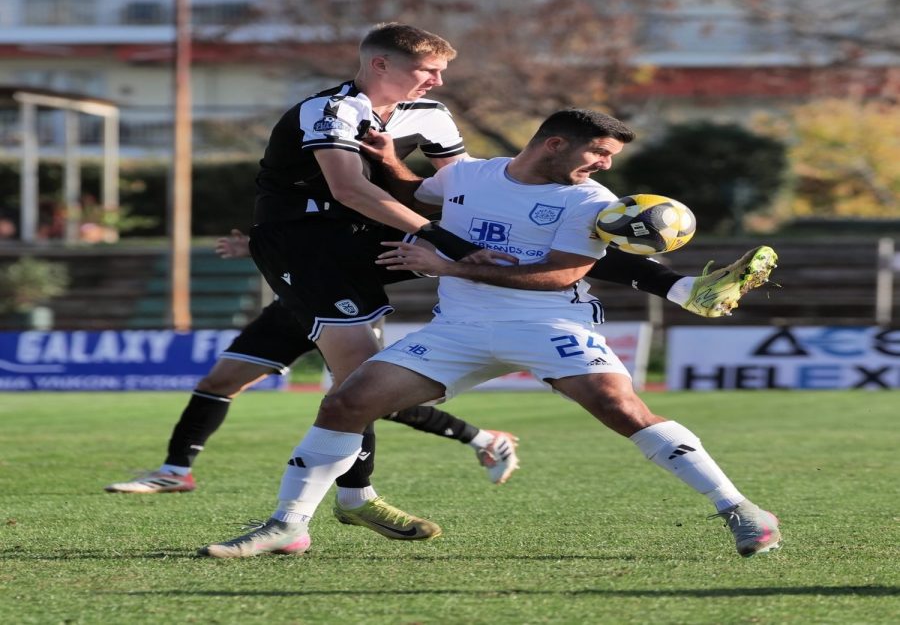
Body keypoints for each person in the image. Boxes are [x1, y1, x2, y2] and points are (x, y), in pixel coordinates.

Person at [111, 22, 775, 538]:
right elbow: (409, 192)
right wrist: (412, 216)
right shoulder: (336, 113)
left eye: (439, 72)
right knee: (324, 391)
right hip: (350, 264)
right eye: (426, 70)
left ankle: (729, 474)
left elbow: (537, 249)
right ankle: (291, 508)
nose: (434, 82)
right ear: (381, 65)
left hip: (503, 302)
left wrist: (445, 250)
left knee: (612, 404)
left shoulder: (573, 190)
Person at [198, 109, 781, 560]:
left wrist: (447, 266)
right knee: (347, 401)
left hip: (550, 322)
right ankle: (288, 526)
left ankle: (740, 509)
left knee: (620, 406)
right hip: (461, 329)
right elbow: (419, 194)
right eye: (598, 152)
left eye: (609, 156)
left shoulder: (589, 201)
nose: (605, 164)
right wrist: (390, 162)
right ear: (555, 143)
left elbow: (561, 275)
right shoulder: (469, 176)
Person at [104, 229, 521, 499]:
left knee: (360, 399)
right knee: (218, 382)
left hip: (348, 315)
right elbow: (299, 243)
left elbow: (391, 251)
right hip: (292, 310)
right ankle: (176, 471)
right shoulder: (307, 188)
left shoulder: (368, 198)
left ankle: (475, 442)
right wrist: (251, 244)